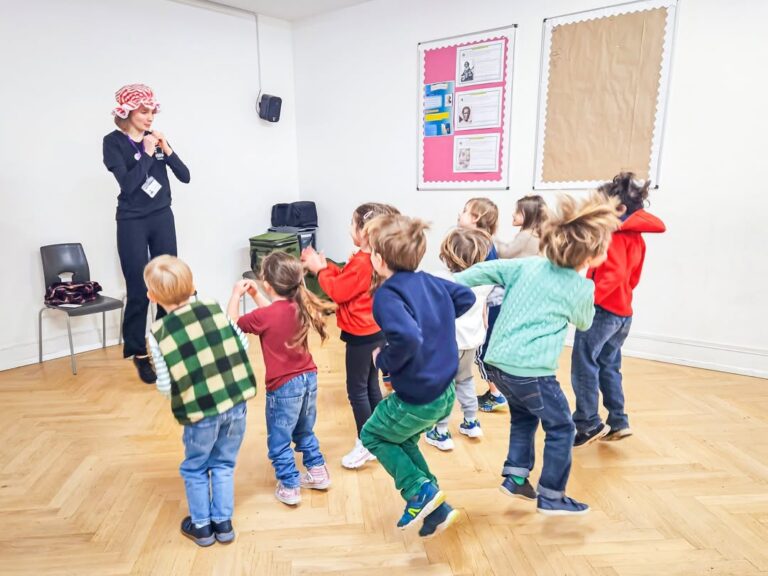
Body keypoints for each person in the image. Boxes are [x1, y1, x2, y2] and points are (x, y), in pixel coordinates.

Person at [455, 193, 620, 515]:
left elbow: (479, 271)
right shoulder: (579, 286)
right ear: (590, 255)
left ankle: (516, 477)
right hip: (532, 371)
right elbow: (584, 322)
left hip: (498, 365)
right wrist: (581, 283)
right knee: (562, 428)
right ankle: (552, 496)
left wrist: (449, 285)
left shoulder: (526, 266)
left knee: (524, 416)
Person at [360, 214, 475, 538]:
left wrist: (383, 359)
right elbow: (465, 297)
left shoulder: (387, 295)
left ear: (380, 261)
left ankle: (417, 491)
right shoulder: (428, 280)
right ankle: (433, 504)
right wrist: (435, 318)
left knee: (374, 435)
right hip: (445, 392)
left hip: (416, 398)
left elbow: (408, 338)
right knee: (403, 439)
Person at [144, 255, 256, 546]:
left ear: (152, 296)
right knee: (223, 463)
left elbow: (166, 385)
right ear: (193, 285)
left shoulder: (158, 334)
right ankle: (223, 522)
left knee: (195, 467)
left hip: (200, 414)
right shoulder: (214, 309)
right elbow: (242, 344)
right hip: (236, 403)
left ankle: (202, 526)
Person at [228, 252, 336, 506]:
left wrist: (236, 295)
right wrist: (256, 295)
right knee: (304, 431)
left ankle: (289, 485)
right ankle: (318, 471)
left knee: (279, 441)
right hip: (309, 379)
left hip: (283, 387)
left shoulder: (264, 317)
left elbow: (230, 326)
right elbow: (273, 312)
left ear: (268, 284)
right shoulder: (299, 305)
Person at [103, 84, 190, 383]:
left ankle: (164, 344)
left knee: (169, 284)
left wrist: (167, 149)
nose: (150, 117)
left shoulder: (156, 140)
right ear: (127, 113)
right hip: (131, 221)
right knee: (139, 290)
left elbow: (185, 176)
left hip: (162, 217)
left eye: (152, 111)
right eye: (144, 111)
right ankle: (140, 353)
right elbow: (128, 185)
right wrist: (146, 154)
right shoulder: (113, 143)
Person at [302, 203, 400, 470]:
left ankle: (367, 442)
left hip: (361, 334)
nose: (349, 228)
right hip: (376, 330)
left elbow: (338, 292)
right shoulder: (377, 259)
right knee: (371, 385)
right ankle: (381, 434)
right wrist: (328, 267)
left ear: (365, 232)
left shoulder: (361, 262)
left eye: (352, 224)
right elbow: (347, 283)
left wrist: (319, 269)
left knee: (357, 390)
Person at [571, 173, 666, 447]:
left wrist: (588, 302)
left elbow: (611, 277)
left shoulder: (614, 238)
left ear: (619, 210)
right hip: (623, 313)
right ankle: (618, 421)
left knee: (583, 366)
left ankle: (587, 423)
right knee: (609, 365)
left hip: (601, 312)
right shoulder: (636, 238)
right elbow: (632, 277)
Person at [424, 228, 494, 451]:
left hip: (447, 345)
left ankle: (441, 431)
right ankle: (471, 421)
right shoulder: (485, 281)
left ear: (447, 253)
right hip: (472, 342)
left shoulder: (441, 279)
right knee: (465, 380)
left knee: (443, 387)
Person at [457, 198, 508, 413]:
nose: (460, 214)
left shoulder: (479, 244)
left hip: (488, 305)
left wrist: (483, 309)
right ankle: (497, 391)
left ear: (476, 218)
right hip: (487, 303)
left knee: (482, 351)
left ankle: (497, 393)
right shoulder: (484, 240)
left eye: (465, 211)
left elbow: (483, 281)